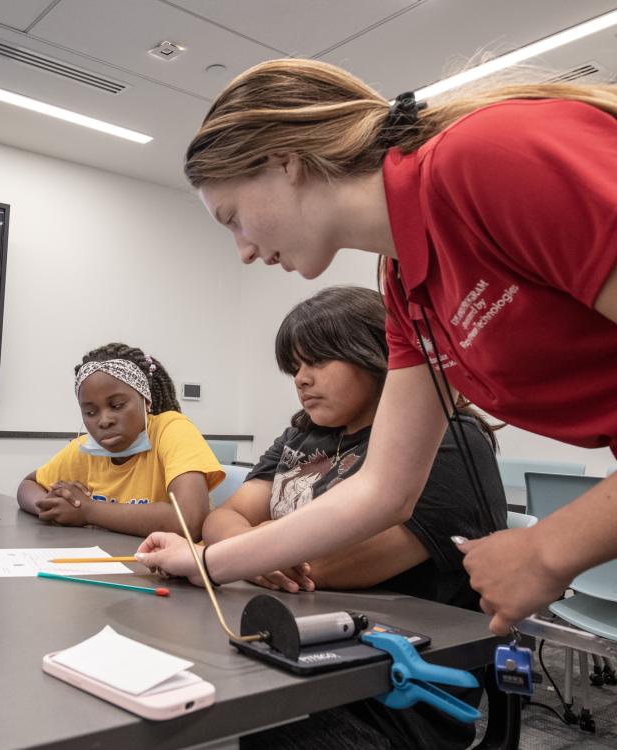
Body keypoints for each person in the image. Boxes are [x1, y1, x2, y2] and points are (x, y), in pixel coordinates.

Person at [136, 58, 617, 635]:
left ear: (284, 161)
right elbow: (382, 490)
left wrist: (547, 549)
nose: (242, 249)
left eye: (233, 218)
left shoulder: (485, 159)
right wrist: (207, 561)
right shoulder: (404, 283)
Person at [204, 286, 505, 750]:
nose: (301, 380)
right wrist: (251, 548)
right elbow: (225, 516)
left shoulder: (445, 439)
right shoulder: (302, 437)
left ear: (377, 355)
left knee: (206, 725)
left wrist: (251, 548)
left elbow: (328, 566)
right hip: (290, 648)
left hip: (381, 692)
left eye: (318, 361)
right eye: (295, 368)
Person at [16, 343, 223, 539]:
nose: (104, 421)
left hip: (171, 570)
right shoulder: (89, 448)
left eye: (117, 406)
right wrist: (50, 506)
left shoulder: (172, 429)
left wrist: (89, 511)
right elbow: (28, 484)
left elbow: (190, 520)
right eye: (90, 412)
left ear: (146, 400)